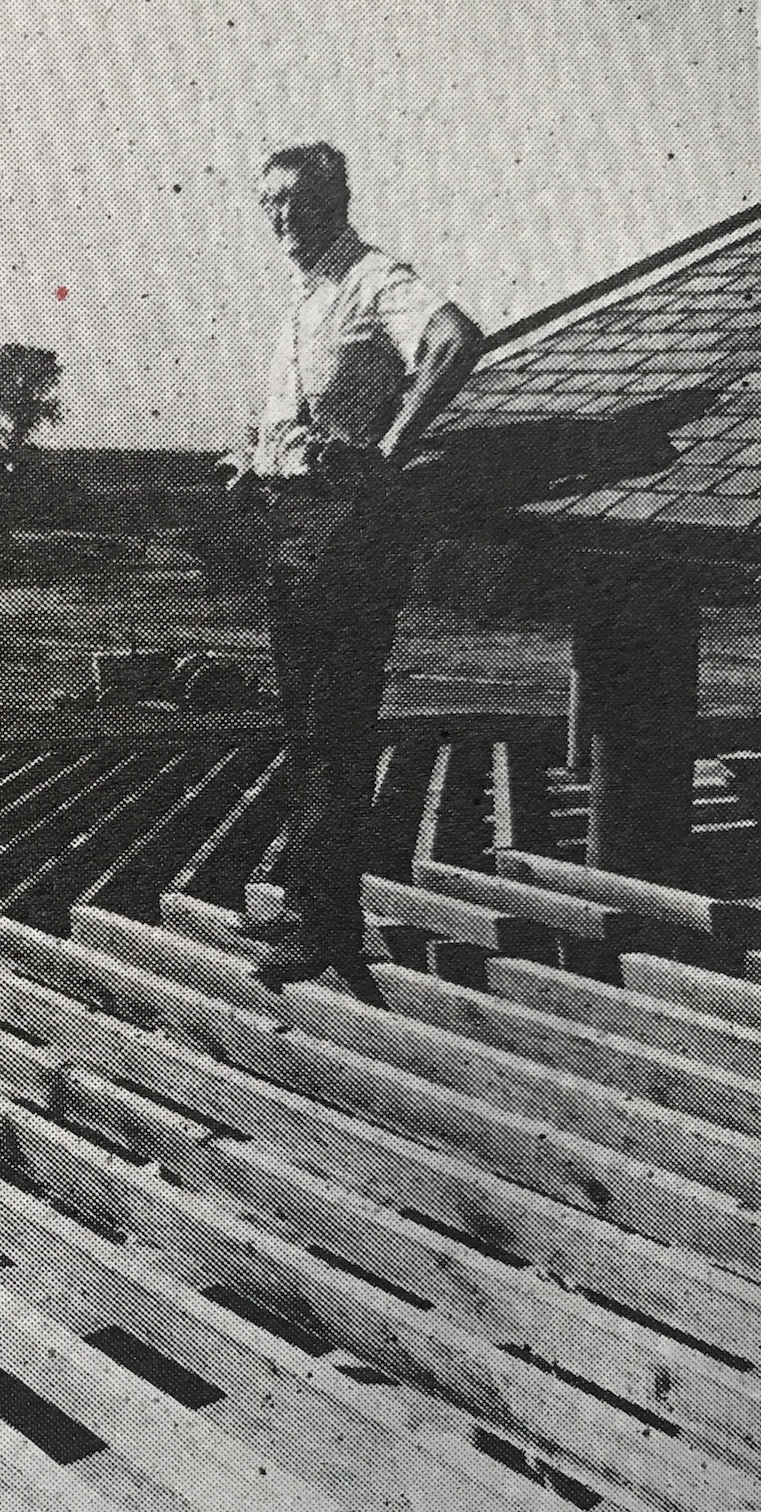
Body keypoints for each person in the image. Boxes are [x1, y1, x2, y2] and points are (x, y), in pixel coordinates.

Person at [223, 143, 485, 989]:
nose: (281, 217)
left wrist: (388, 450)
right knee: (305, 725)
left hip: (347, 530)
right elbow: (301, 416)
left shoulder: (374, 282)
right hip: (292, 520)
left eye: (295, 200)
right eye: (268, 203)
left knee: (332, 729)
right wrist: (253, 461)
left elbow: (454, 340)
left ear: (337, 198)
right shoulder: (307, 297)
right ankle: (310, 902)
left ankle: (325, 923)